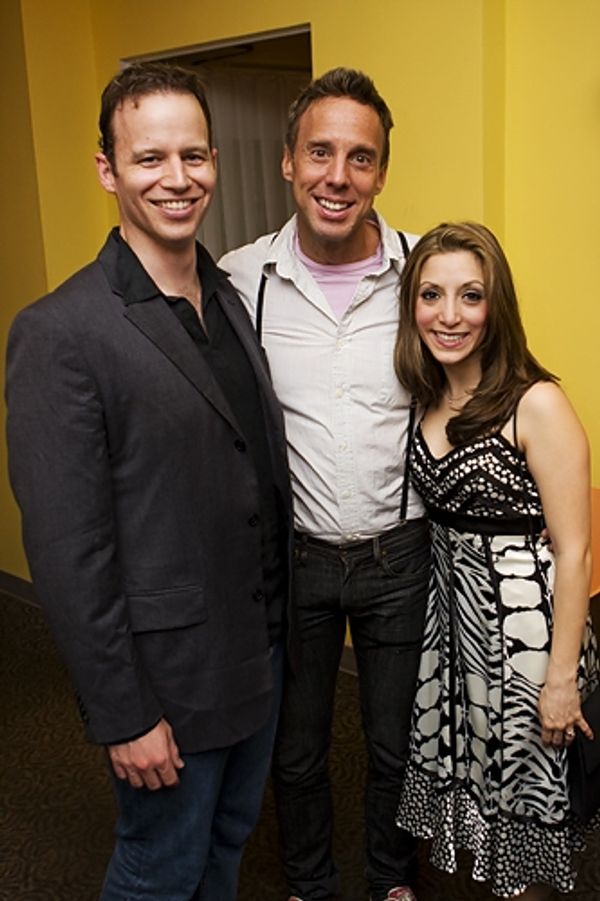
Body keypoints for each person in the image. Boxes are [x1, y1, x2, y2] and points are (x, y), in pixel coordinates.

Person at [6, 62, 291, 901]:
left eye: (195, 156)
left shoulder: (230, 296)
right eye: (150, 158)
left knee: (228, 844)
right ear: (108, 170)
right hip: (166, 679)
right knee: (158, 867)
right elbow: (67, 550)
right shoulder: (60, 331)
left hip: (258, 652)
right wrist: (123, 713)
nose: (178, 179)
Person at [219, 68, 430, 901]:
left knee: (395, 745)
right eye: (320, 152)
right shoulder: (241, 279)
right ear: (286, 162)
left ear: (382, 170)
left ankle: (390, 880)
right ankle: (308, 882)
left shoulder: (423, 270)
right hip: (295, 560)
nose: (337, 176)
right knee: (296, 749)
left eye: (360, 157)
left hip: (402, 555)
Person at [393, 221, 600, 899]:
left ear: (496, 305)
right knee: (486, 826)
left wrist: (560, 679)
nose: (449, 315)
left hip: (527, 649)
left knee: (527, 830)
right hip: (455, 642)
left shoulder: (534, 403)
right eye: (431, 295)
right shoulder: (427, 397)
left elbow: (574, 552)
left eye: (470, 296)